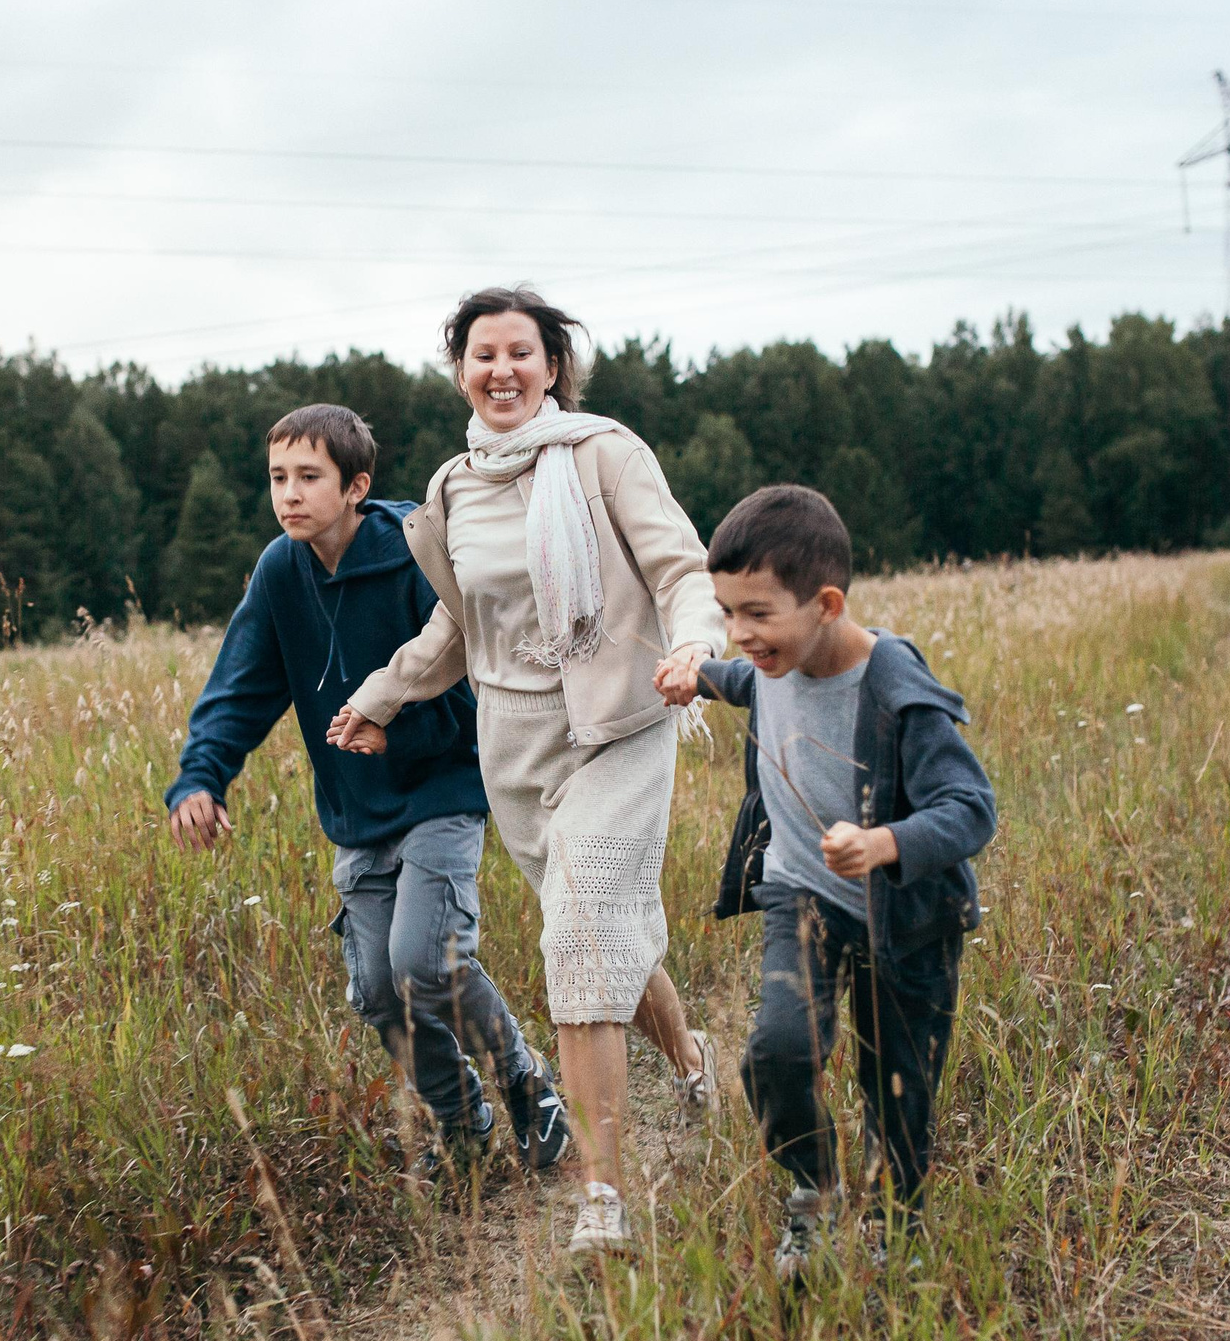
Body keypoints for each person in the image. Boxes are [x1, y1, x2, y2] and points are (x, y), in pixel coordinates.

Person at [327, 288, 721, 1256]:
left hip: (620, 724)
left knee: (578, 937)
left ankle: (602, 1197)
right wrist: (382, 693)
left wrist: (694, 647)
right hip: (515, 745)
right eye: (481, 354)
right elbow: (459, 628)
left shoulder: (604, 454)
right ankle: (688, 1050)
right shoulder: (452, 488)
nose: (500, 370)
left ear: (552, 366)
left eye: (520, 353)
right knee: (599, 932)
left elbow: (681, 568)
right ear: (460, 369)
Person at [166, 403, 572, 1180]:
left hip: (440, 791)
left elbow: (466, 673)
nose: (288, 494)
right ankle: (462, 1126)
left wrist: (402, 727)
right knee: (381, 991)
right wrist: (202, 776)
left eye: (308, 477)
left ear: (356, 486)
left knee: (427, 962)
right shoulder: (280, 572)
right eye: (278, 478)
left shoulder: (415, 552)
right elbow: (241, 687)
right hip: (356, 814)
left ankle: (526, 1084)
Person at [655, 484, 996, 1276]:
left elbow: (972, 808)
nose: (740, 634)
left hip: (905, 918)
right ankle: (811, 1191)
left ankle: (892, 1231)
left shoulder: (898, 691)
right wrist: (696, 671)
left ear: (828, 603)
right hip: (800, 898)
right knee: (776, 1052)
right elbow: (745, 683)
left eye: (757, 614)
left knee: (897, 1088)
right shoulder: (772, 663)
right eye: (726, 612)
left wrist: (886, 841)